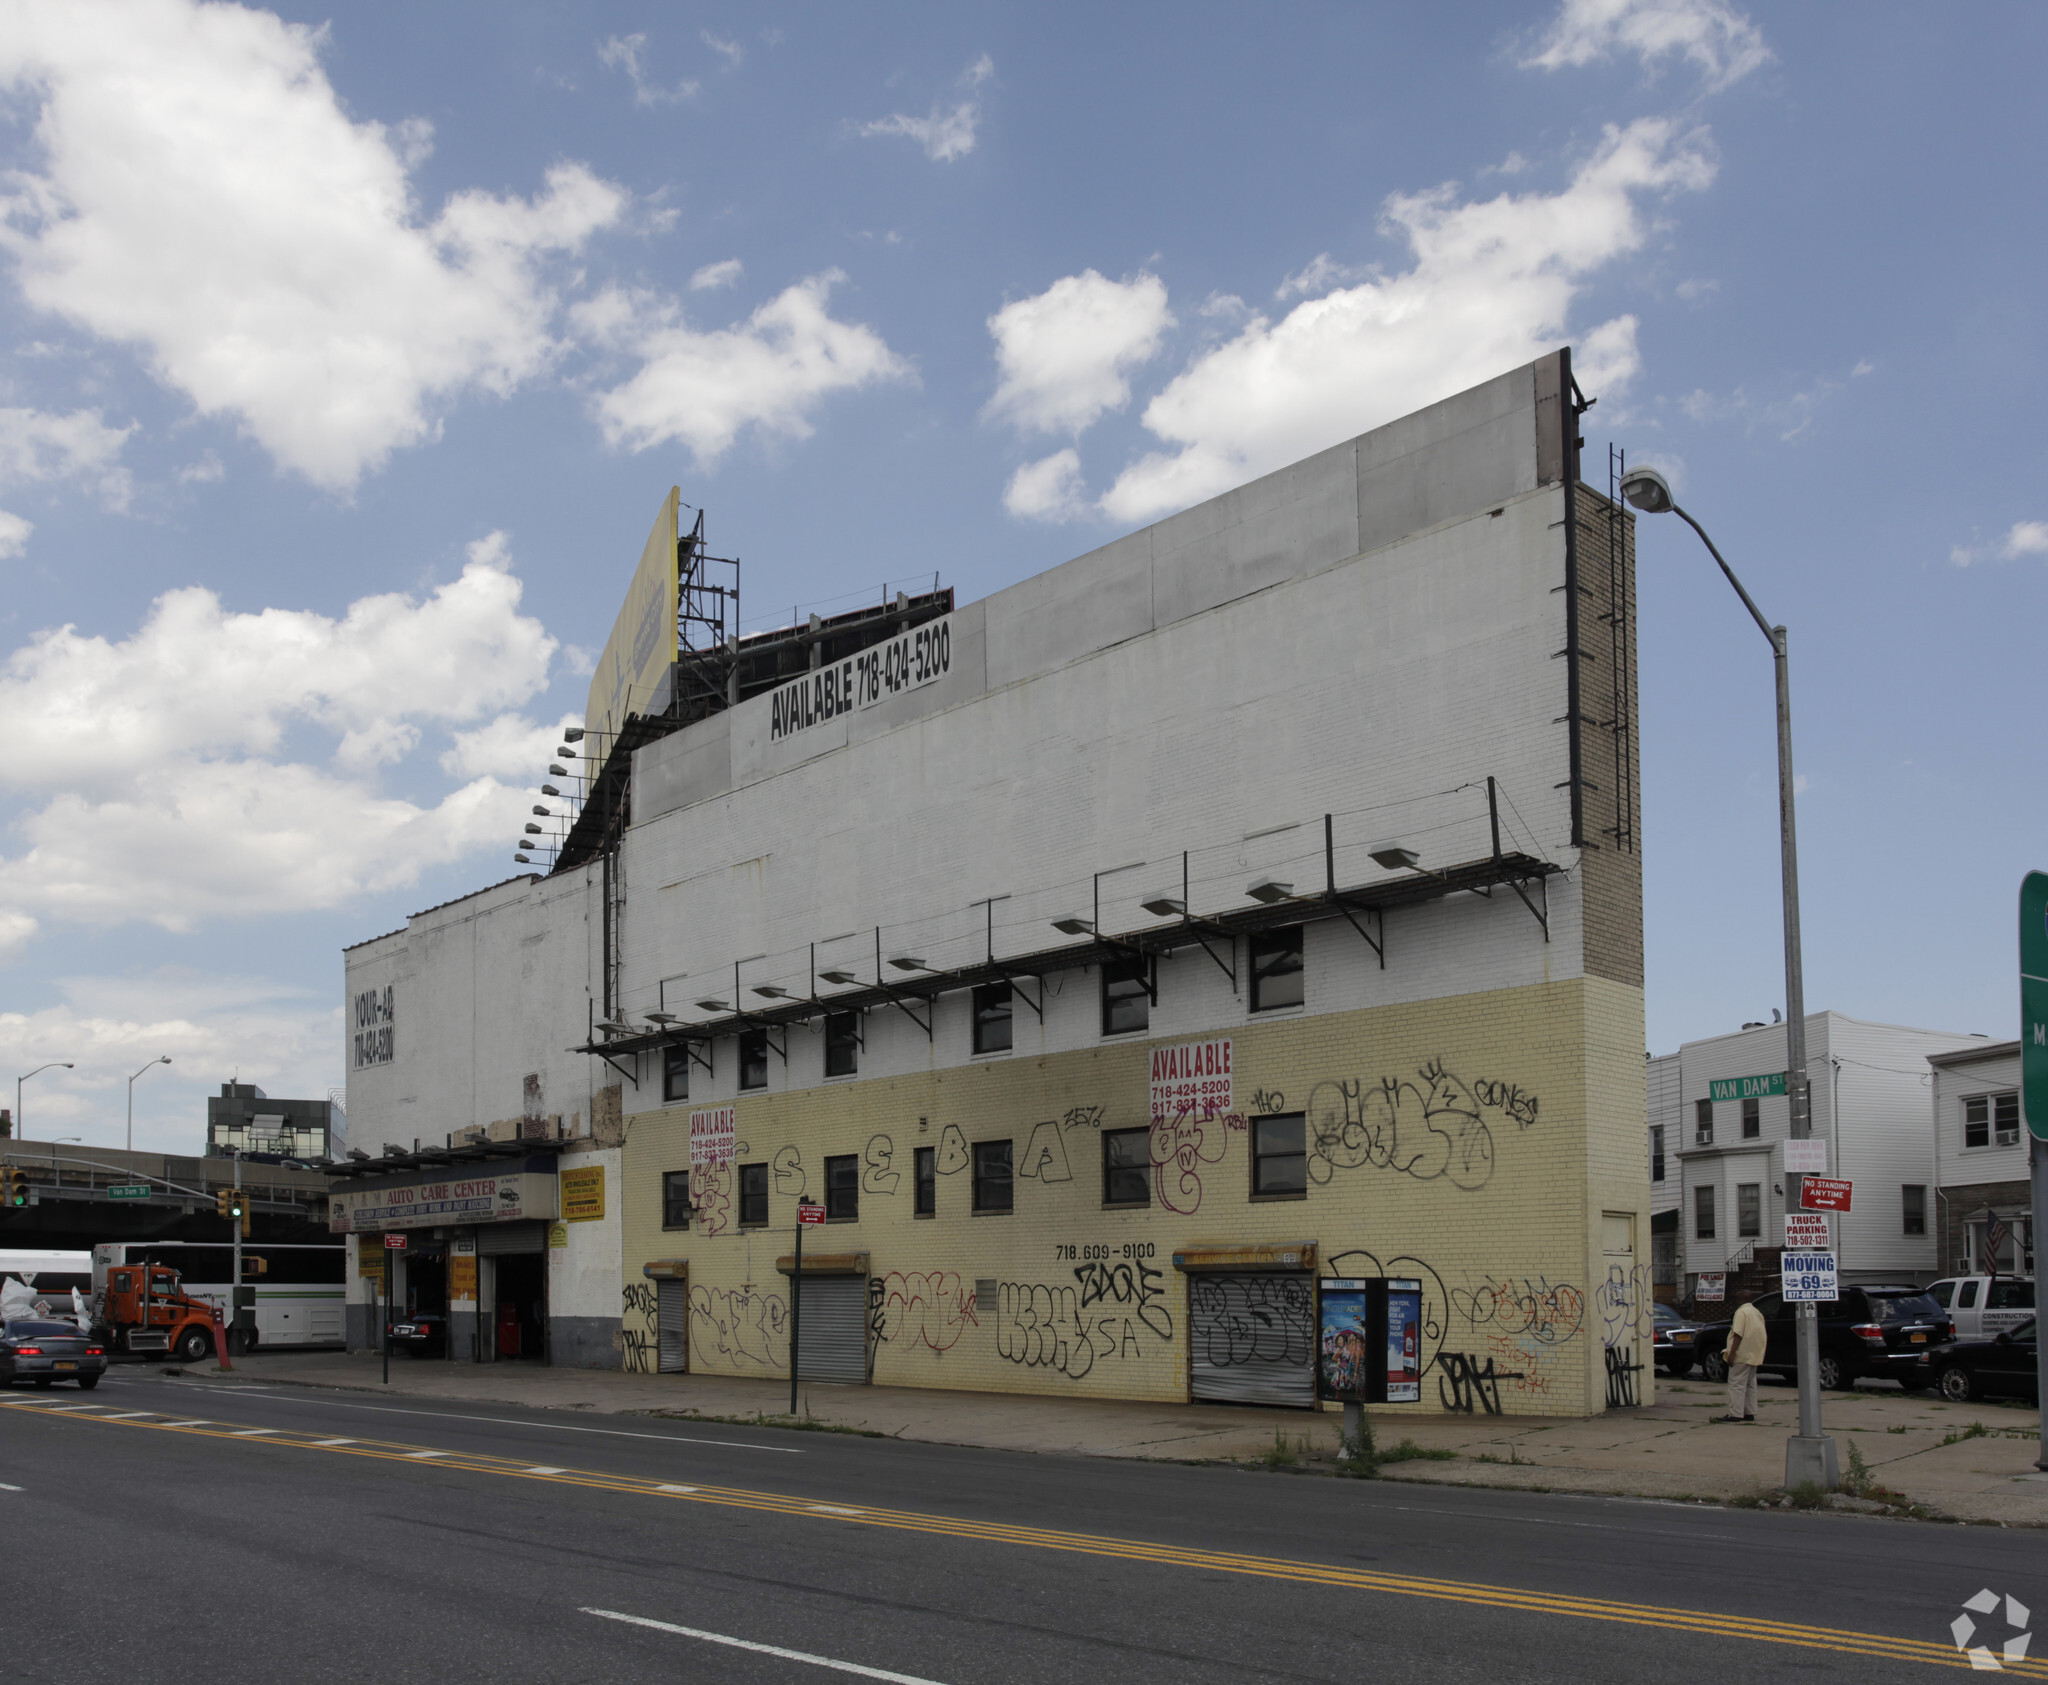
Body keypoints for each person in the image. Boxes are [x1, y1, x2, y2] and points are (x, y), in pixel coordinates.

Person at [1715, 1290, 1767, 1422]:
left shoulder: (1741, 1312)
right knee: (1750, 1384)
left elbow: (1738, 1333)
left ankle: (1735, 1414)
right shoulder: (1757, 1313)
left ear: (1741, 1299)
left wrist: (1732, 1353)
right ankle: (1749, 1412)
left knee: (1736, 1384)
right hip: (1754, 1353)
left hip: (1742, 1354)